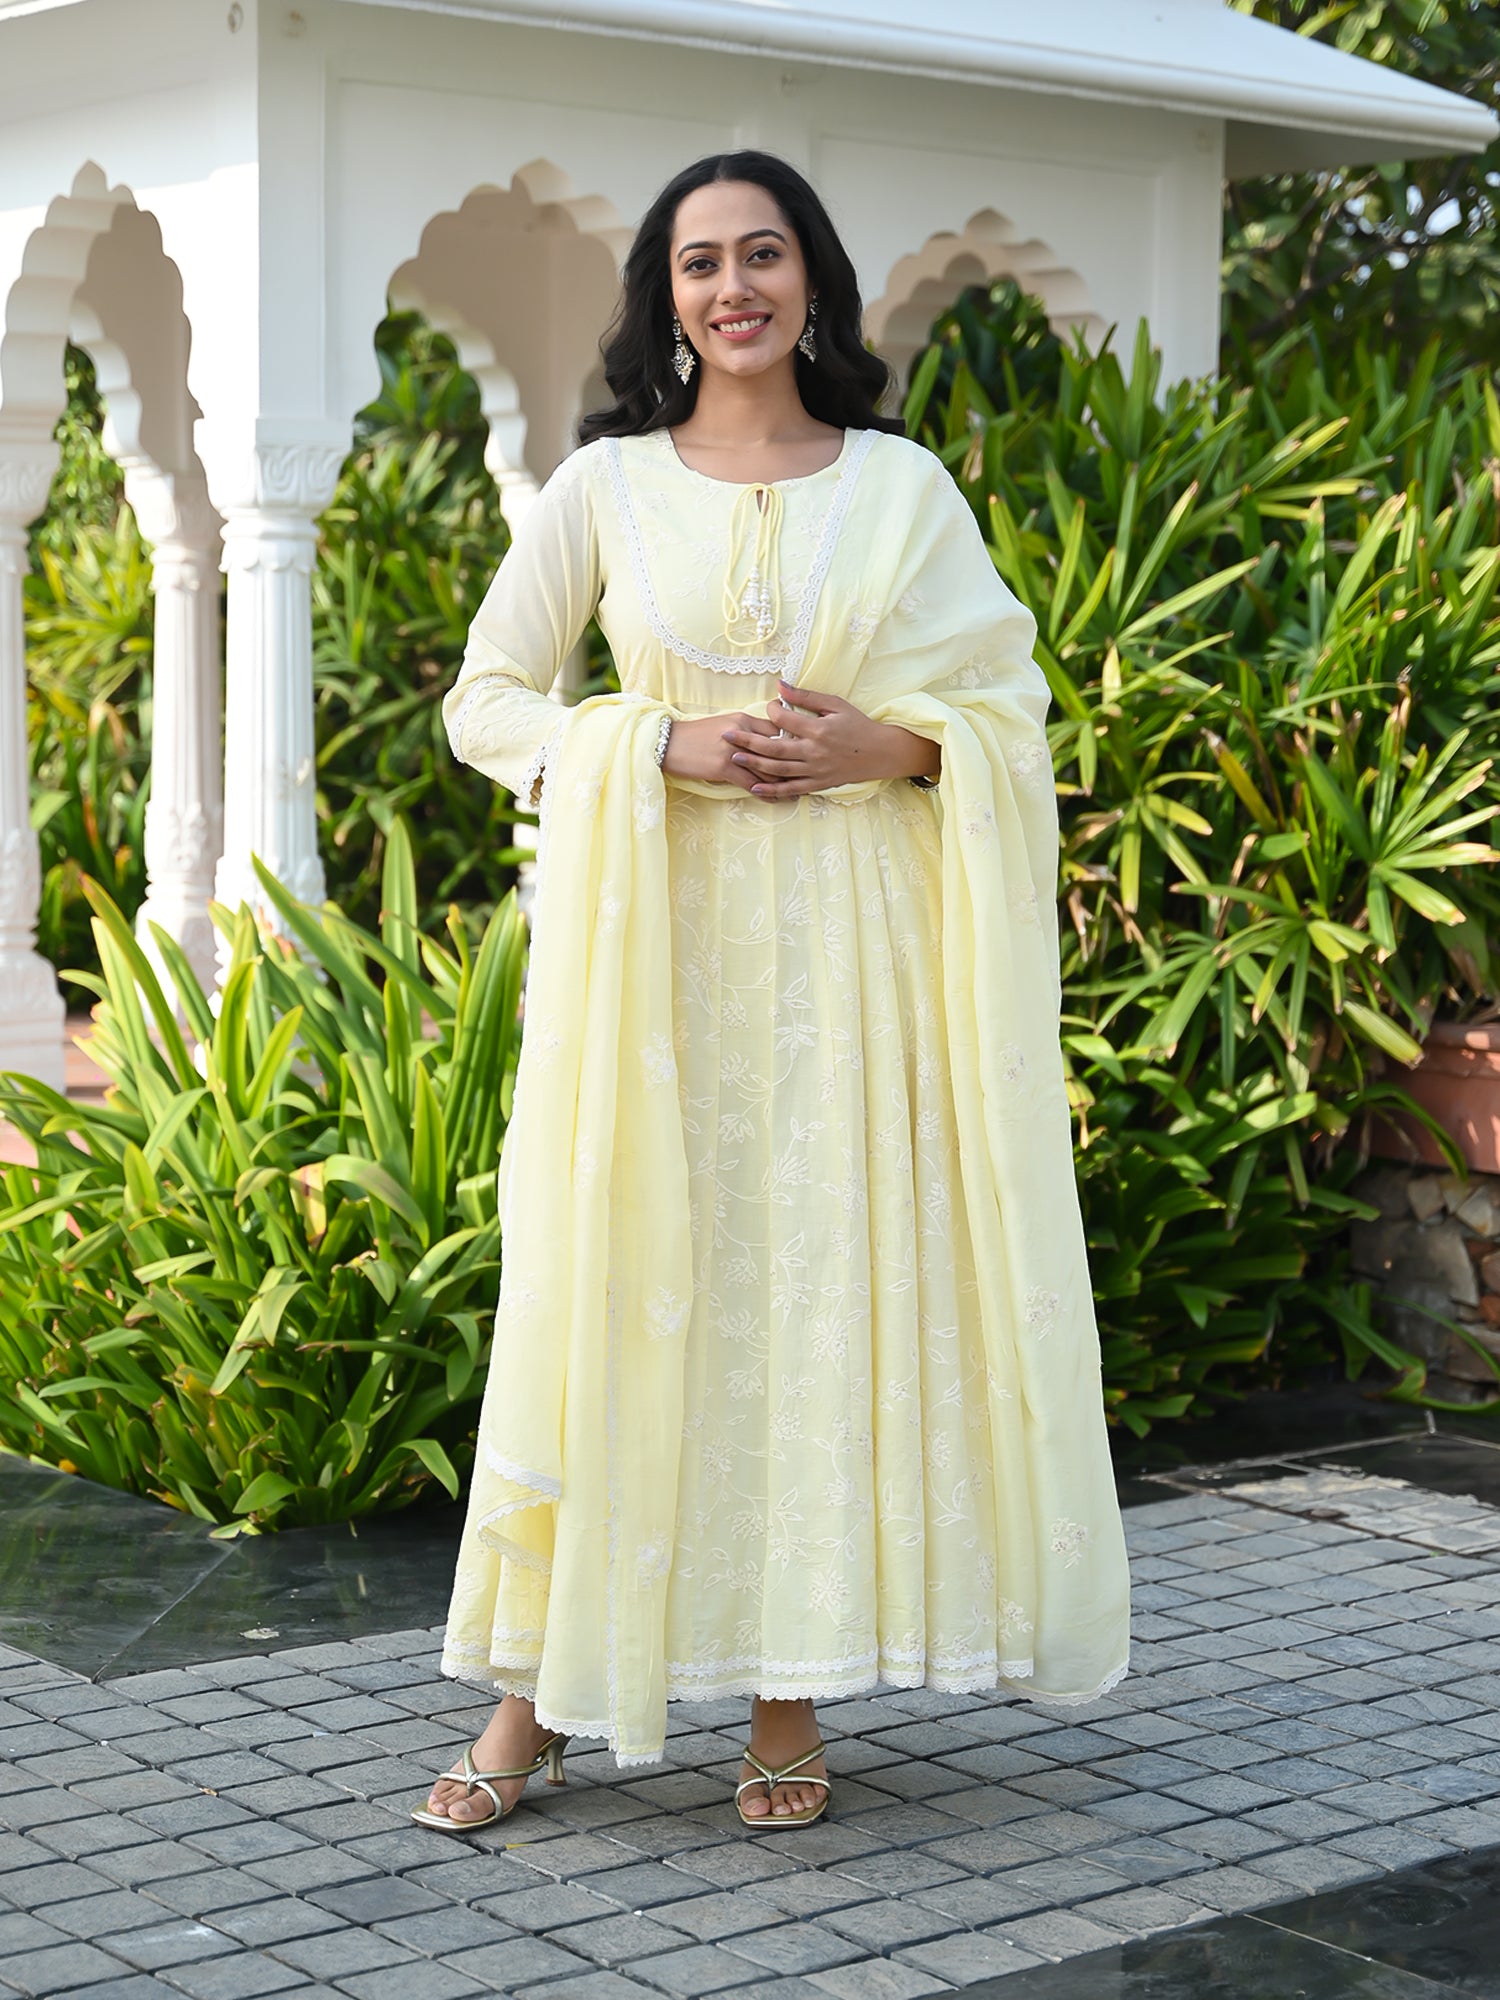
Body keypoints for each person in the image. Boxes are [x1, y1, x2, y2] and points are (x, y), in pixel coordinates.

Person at [414, 150, 1129, 1835]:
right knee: (618, 1284)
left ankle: (787, 1697)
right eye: (699, 264)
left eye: (762, 254)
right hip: (655, 967)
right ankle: (537, 1694)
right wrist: (652, 743)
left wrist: (893, 746)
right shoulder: (604, 488)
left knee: (808, 1298)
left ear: (812, 279)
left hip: (849, 973)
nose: (732, 288)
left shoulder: (900, 488)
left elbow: (1009, 714)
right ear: (665, 300)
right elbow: (486, 700)